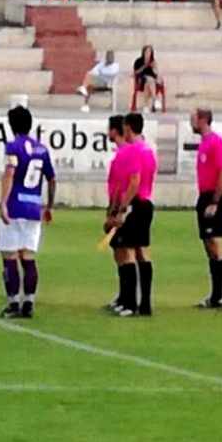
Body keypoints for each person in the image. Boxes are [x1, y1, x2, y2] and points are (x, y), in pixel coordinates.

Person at [0, 106, 56, 320]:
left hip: (15, 206)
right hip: (33, 208)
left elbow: (9, 173)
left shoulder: (13, 146)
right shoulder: (42, 149)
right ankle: (29, 302)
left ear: (12, 125)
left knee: (9, 256)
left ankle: (13, 303)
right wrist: (49, 206)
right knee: (28, 257)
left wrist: (3, 203)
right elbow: (52, 179)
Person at [109, 114, 157, 317]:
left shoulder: (133, 151)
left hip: (134, 204)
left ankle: (129, 303)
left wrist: (121, 208)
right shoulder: (148, 150)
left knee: (127, 251)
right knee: (142, 252)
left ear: (128, 128)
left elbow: (132, 182)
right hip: (146, 203)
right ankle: (144, 303)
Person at [191, 108, 222, 310]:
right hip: (205, 197)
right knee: (209, 247)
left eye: (193, 119)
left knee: (217, 244)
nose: (191, 123)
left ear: (203, 120)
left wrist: (215, 201)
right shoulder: (203, 143)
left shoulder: (216, 142)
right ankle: (216, 295)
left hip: (215, 197)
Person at [102, 115, 128, 312]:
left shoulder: (123, 154)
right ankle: (123, 296)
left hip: (120, 208)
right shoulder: (120, 153)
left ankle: (127, 298)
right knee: (119, 253)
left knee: (124, 252)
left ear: (114, 131)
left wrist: (114, 211)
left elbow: (121, 185)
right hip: (117, 205)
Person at [133, 45, 163, 113]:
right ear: (143, 52)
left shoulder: (153, 61)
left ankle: (146, 107)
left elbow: (156, 73)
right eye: (147, 51)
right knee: (149, 80)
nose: (148, 53)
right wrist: (144, 66)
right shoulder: (138, 61)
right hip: (141, 80)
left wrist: (154, 67)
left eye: (150, 51)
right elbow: (136, 72)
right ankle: (155, 100)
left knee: (148, 83)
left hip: (151, 82)